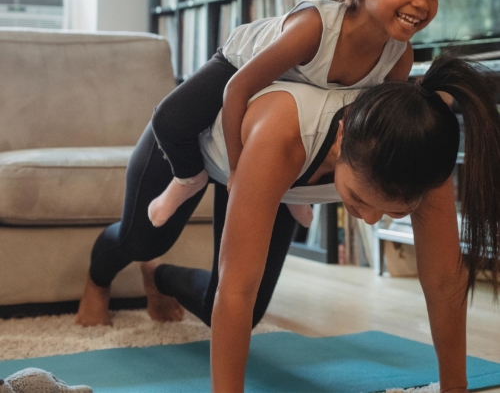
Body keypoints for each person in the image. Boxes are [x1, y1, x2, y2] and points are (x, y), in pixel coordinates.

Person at [76, 52, 500, 393]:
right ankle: (100, 279)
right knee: (142, 241)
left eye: (393, 212)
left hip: (266, 180)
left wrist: (455, 388)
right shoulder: (285, 134)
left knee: (238, 310)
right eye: (357, 200)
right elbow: (235, 285)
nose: (370, 220)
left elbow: (444, 282)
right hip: (195, 151)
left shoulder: (423, 150)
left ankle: (159, 277)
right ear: (340, 137)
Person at [147, 0, 444, 229]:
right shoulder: (314, 29)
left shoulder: (399, 55)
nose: (422, 2)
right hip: (237, 64)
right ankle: (187, 179)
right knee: (168, 120)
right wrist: (237, 171)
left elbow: (374, 126)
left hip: (300, 95)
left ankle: (291, 199)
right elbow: (237, 89)